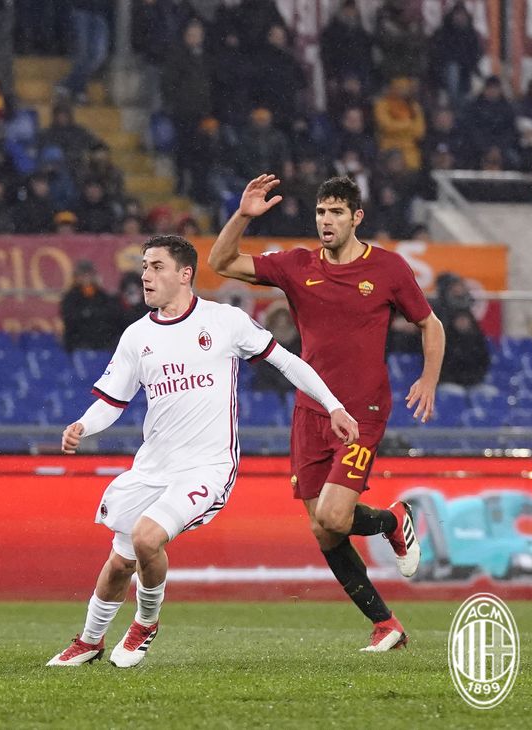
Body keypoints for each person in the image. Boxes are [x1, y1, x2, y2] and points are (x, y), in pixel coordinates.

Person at [47, 235, 359, 668]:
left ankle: (146, 623)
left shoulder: (225, 321)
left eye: (156, 266)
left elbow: (287, 361)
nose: (145, 275)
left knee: (146, 538)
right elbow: (112, 402)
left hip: (208, 467)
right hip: (153, 466)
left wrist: (334, 406)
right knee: (120, 562)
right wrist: (84, 424)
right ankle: (89, 640)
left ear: (185, 273)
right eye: (143, 266)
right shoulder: (137, 336)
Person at [208, 174, 445, 651]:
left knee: (336, 517)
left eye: (336, 212)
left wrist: (429, 378)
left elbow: (429, 323)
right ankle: (386, 625)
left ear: (356, 218)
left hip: (364, 410)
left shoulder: (389, 268)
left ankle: (392, 522)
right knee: (323, 529)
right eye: (321, 213)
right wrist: (242, 216)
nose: (326, 221)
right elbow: (220, 262)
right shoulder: (297, 266)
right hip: (310, 409)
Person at [59, 260, 120, 352]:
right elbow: (69, 318)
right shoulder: (70, 297)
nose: (86, 278)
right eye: (82, 274)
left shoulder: (102, 296)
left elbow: (111, 316)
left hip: (102, 343)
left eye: (89, 274)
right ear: (76, 277)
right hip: (78, 344)